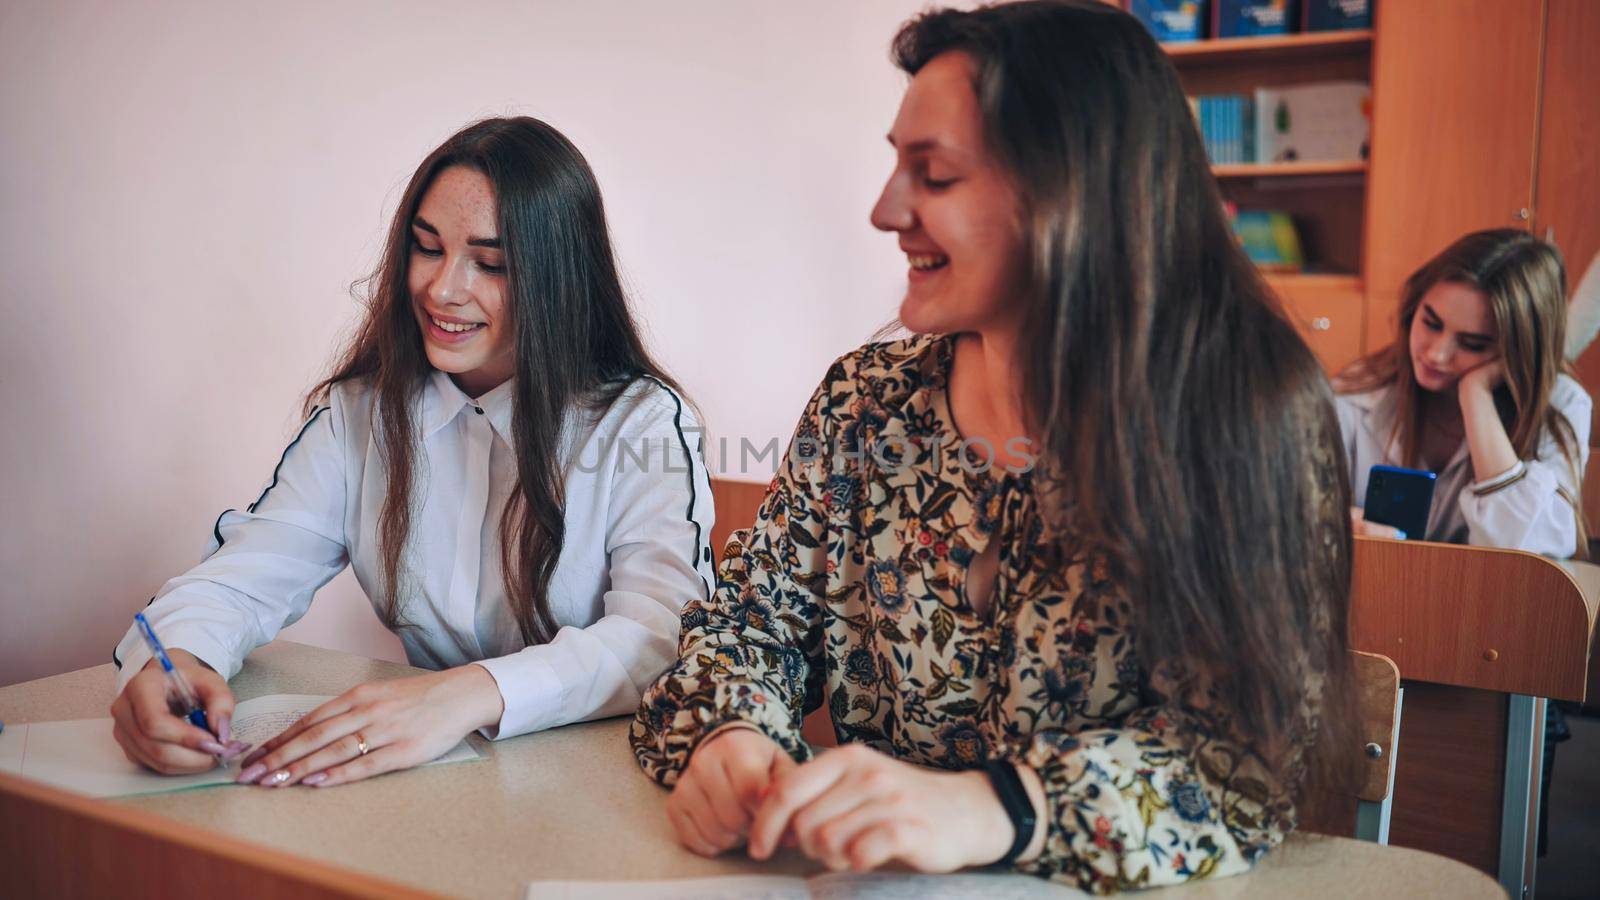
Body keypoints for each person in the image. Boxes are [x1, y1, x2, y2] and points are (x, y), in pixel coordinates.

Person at [631, 2, 1355, 892]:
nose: (883, 210)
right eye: (896, 165)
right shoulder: (866, 401)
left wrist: (993, 808)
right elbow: (748, 628)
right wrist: (732, 735)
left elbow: (1244, 773)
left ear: (1072, 189)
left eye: (931, 175)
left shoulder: (1245, 417)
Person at [110, 117, 714, 788]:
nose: (442, 289)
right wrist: (176, 659)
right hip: (434, 778)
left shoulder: (642, 421)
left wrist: (465, 694)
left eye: (491, 264)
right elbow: (243, 576)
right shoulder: (360, 414)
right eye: (427, 249)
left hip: (602, 784)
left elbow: (662, 638)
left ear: (561, 281)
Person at [1337, 229, 1590, 556]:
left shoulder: (1561, 403)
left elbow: (1534, 555)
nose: (1436, 355)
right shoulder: (1357, 391)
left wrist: (1477, 397)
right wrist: (1341, 525)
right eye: (1430, 323)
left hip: (1488, 605)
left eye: (1473, 344)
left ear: (1517, 350)